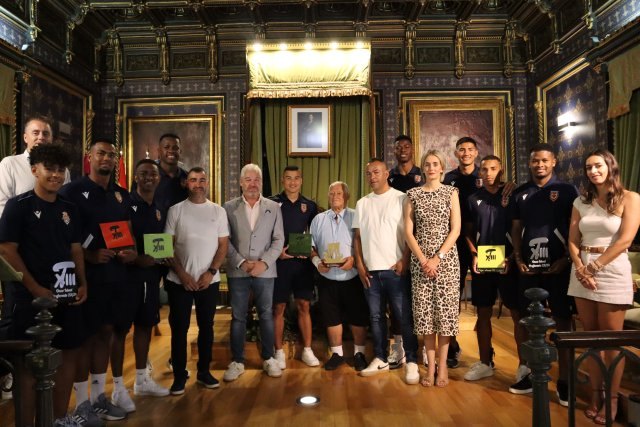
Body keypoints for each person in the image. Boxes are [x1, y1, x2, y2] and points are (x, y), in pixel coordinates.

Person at [0, 143, 88, 426]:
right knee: (28, 364)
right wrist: (36, 289)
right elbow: (7, 250)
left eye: (61, 170)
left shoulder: (69, 208)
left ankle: (58, 420)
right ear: (34, 170)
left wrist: (82, 282)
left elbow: (76, 249)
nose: (56, 175)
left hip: (66, 295)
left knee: (66, 356)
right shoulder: (18, 206)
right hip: (30, 300)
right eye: (50, 169)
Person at [59, 139, 135, 422]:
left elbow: (127, 232)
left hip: (116, 277)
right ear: (89, 157)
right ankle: (81, 404)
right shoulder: (72, 192)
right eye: (100, 153)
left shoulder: (121, 195)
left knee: (106, 333)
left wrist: (130, 252)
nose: (106, 158)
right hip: (86, 278)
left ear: (116, 161)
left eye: (111, 155)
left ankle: (99, 397)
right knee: (85, 338)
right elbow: (65, 237)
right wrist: (90, 257)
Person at [567, 150, 640, 424]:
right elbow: (573, 240)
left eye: (597, 165)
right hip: (582, 269)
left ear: (610, 166)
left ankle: (612, 399)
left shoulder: (630, 198)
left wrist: (594, 268)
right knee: (591, 339)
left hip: (612, 270)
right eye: (588, 167)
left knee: (612, 340)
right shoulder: (580, 201)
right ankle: (595, 395)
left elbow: (625, 240)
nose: (593, 171)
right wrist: (581, 268)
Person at [510, 143, 579, 405]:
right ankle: (530, 373)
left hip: (558, 267)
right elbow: (516, 228)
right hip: (529, 268)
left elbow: (576, 228)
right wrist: (517, 257)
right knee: (528, 322)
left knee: (563, 321)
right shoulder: (520, 193)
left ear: (554, 162)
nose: (539, 165)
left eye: (544, 161)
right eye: (535, 161)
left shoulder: (567, 190)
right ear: (529, 163)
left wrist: (565, 259)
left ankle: (565, 381)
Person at [109, 159, 170, 413]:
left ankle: (142, 379)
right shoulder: (124, 204)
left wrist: (160, 258)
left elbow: (162, 243)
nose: (149, 177)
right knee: (120, 331)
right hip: (126, 279)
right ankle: (118, 387)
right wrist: (135, 256)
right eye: (143, 173)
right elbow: (120, 238)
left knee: (146, 325)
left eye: (153, 174)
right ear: (135, 177)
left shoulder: (158, 207)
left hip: (150, 278)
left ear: (158, 179)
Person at [353, 158, 419, 384]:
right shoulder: (362, 203)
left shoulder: (402, 198)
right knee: (376, 317)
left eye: (376, 172)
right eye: (368, 173)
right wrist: (360, 265)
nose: (372, 176)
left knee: (403, 317)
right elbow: (358, 238)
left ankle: (411, 360)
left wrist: (405, 260)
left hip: (395, 269)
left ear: (386, 173)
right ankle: (380, 357)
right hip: (371, 271)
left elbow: (411, 234)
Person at [164, 167, 229, 394]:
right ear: (186, 184)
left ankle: (204, 372)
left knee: (207, 328)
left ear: (207, 183)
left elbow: (223, 246)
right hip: (178, 280)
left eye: (202, 180)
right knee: (179, 329)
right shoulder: (175, 211)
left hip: (207, 281)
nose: (198, 184)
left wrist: (210, 272)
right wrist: (182, 274)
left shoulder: (218, 211)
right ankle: (179, 376)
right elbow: (167, 246)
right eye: (193, 180)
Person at [404, 149, 461, 388]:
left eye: (435, 164)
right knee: (425, 316)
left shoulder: (451, 192)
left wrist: (437, 258)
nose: (430, 168)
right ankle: (430, 366)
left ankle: (444, 365)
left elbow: (455, 229)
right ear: (422, 168)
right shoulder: (412, 194)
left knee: (445, 315)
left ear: (442, 168)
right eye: (426, 164)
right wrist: (423, 259)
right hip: (420, 263)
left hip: (446, 262)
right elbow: (408, 231)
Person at [223, 163, 284, 381]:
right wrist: (241, 262)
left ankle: (268, 358)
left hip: (265, 272)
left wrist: (263, 263)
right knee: (238, 317)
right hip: (238, 271)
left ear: (261, 182)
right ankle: (237, 361)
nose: (252, 183)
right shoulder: (228, 207)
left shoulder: (274, 207)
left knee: (266, 315)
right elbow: (224, 240)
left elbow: (279, 240)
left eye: (256, 179)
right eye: (248, 179)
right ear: (240, 183)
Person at [462, 155, 522, 382]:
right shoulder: (473, 199)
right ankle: (485, 361)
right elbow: (467, 232)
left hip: (508, 263)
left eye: (493, 169)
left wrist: (512, 256)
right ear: (479, 172)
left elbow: (520, 228)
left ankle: (524, 366)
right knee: (483, 313)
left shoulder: (512, 194)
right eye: (484, 169)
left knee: (516, 314)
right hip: (483, 264)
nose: (488, 173)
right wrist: (474, 255)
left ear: (501, 170)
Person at [309, 182, 369, 372]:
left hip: (352, 277)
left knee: (358, 317)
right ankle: (337, 354)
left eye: (339, 193)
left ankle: (359, 353)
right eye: (332, 192)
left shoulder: (355, 216)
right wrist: (317, 262)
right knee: (331, 317)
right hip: (327, 278)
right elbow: (311, 247)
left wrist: (353, 259)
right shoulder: (318, 219)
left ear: (347, 196)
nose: (335, 196)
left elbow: (365, 244)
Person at [269, 166, 319, 369]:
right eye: (288, 178)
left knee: (304, 306)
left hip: (302, 264)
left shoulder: (310, 205)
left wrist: (311, 251)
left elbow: (315, 234)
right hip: (279, 263)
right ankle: (278, 351)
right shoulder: (271, 203)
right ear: (282, 180)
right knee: (278, 308)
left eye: (296, 178)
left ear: (301, 180)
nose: (292, 182)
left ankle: (307, 350)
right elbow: (265, 233)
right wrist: (277, 252)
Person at [442, 136, 480, 369]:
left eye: (470, 150)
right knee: (452, 295)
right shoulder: (449, 179)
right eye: (461, 150)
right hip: (455, 243)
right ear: (456, 154)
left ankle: (485, 353)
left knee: (483, 298)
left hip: (482, 244)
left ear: (476, 152)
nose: (465, 153)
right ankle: (452, 345)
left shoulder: (484, 176)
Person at [387, 134, 422, 368]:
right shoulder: (389, 178)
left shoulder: (421, 175)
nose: (402, 150)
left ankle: (432, 348)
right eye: (398, 147)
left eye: (407, 146)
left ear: (412, 149)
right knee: (398, 303)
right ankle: (400, 347)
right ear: (394, 150)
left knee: (422, 300)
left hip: (422, 244)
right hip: (396, 244)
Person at [0, 116, 70, 216]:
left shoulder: (63, 170)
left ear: (51, 139)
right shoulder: (9, 164)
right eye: (35, 133)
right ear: (25, 137)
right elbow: (2, 205)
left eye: (45, 134)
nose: (41, 137)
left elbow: (64, 202)